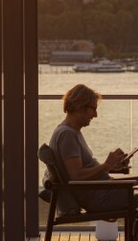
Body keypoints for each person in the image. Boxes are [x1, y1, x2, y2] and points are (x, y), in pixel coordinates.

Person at [49, 83, 131, 215]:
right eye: (93, 109)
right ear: (79, 107)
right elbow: (77, 177)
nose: (95, 115)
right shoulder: (67, 135)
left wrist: (112, 166)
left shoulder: (70, 132)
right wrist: (106, 166)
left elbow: (81, 172)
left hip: (102, 190)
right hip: (99, 198)